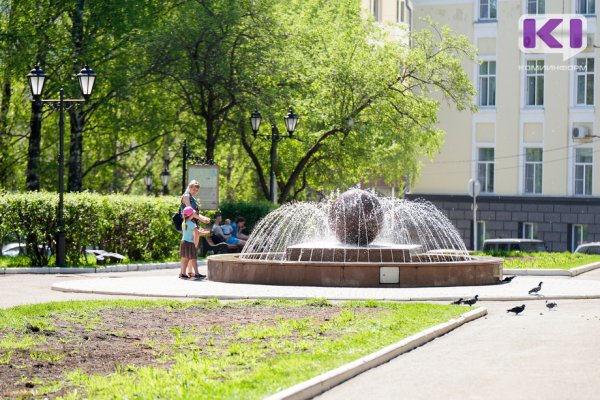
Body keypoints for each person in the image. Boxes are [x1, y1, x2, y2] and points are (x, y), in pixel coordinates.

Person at [179, 207, 204, 280]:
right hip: (189, 243)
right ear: (191, 214)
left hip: (183, 242)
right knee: (194, 258)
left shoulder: (184, 222)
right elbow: (198, 233)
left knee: (185, 259)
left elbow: (190, 232)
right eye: (193, 213)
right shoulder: (191, 223)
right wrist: (206, 232)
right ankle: (197, 273)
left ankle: (183, 273)